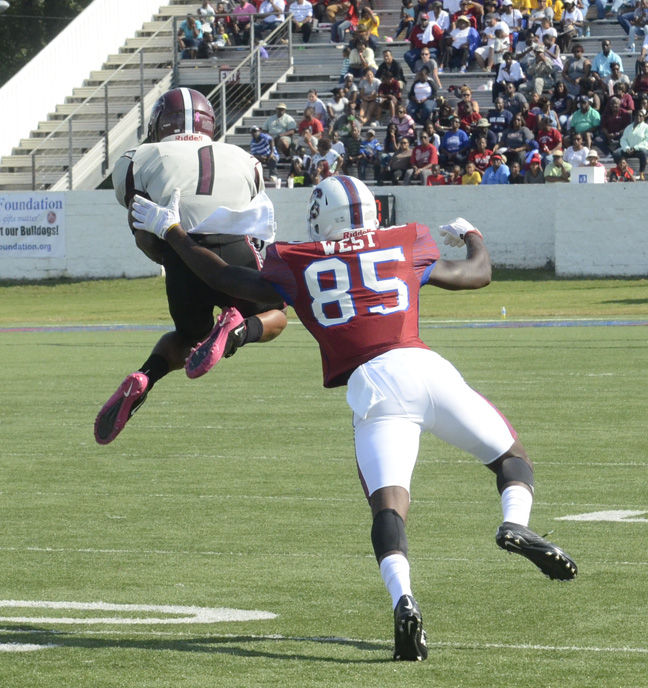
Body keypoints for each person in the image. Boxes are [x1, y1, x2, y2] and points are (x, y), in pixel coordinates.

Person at [130, 175, 578, 662]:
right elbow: (478, 273)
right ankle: (515, 522)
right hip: (427, 368)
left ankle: (404, 599)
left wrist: (173, 231)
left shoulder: (299, 260)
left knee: (389, 507)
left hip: (374, 388)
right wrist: (473, 235)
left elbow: (223, 277)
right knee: (511, 459)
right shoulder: (406, 241)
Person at [95, 88, 287, 445]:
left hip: (181, 255)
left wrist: (167, 252)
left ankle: (146, 377)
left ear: (159, 123)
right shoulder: (245, 158)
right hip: (235, 251)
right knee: (277, 314)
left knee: (187, 336)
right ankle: (236, 332)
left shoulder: (138, 157)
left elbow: (141, 227)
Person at [613, 108, 648, 179]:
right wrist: (627, 148)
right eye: (637, 115)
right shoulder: (628, 127)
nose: (638, 117)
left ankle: (641, 173)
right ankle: (621, 171)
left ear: (643, 117)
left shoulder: (646, 127)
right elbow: (623, 139)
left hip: (639, 149)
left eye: (641, 116)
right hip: (628, 150)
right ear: (634, 116)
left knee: (644, 153)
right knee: (616, 153)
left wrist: (635, 148)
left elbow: (646, 141)